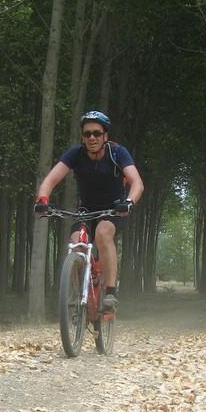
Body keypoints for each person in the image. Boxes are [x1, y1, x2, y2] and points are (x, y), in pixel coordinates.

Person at [35, 111, 143, 310]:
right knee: (76, 242)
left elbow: (137, 182)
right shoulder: (76, 154)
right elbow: (50, 180)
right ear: (83, 137)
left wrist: (129, 202)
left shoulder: (117, 153)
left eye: (96, 133)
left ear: (105, 136)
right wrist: (42, 200)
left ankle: (110, 292)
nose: (92, 137)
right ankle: (79, 296)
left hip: (113, 210)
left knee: (103, 232)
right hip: (85, 210)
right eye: (87, 134)